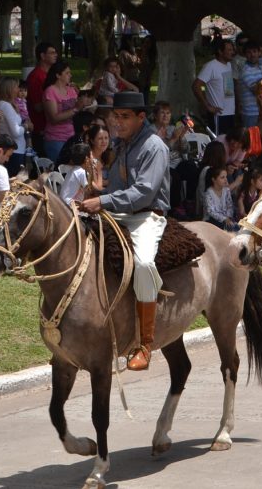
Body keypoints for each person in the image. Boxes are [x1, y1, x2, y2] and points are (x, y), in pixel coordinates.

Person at [78, 92, 170, 372]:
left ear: (141, 117)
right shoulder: (121, 144)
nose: (117, 122)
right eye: (115, 116)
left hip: (146, 216)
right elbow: (118, 188)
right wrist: (96, 192)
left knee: (143, 264)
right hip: (117, 213)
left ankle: (144, 344)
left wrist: (102, 201)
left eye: (124, 116)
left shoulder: (154, 146)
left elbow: (143, 193)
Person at [193, 39, 237, 137]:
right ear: (220, 51)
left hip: (230, 112)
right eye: (229, 50)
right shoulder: (210, 66)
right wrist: (207, 106)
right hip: (218, 114)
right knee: (218, 143)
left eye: (232, 49)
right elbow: (196, 86)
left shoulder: (229, 65)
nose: (232, 52)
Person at [42, 61, 79, 162]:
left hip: (72, 135)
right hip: (56, 138)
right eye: (67, 73)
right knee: (60, 169)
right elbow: (54, 118)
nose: (70, 75)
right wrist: (76, 109)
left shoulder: (71, 90)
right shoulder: (50, 91)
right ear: (58, 75)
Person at [27, 42, 59, 155]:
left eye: (56, 52)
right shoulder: (36, 77)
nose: (56, 55)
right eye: (52, 53)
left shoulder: (51, 75)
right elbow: (37, 106)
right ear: (42, 56)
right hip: (41, 129)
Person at [0, 77, 29, 177]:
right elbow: (16, 131)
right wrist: (26, 126)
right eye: (17, 87)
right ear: (9, 89)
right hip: (14, 151)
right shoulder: (5, 105)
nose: (19, 90)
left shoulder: (8, 104)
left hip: (17, 149)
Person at [237, 40, 262, 129]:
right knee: (252, 141)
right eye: (249, 52)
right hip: (250, 114)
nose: (252, 55)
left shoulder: (261, 67)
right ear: (245, 55)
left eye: (254, 52)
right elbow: (256, 90)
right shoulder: (245, 71)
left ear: (259, 53)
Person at [203, 166, 238, 231]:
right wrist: (224, 219)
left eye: (226, 177)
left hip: (227, 219)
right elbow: (211, 211)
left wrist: (228, 217)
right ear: (214, 179)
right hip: (212, 220)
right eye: (222, 177)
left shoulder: (226, 190)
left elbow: (230, 206)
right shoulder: (209, 193)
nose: (226, 180)